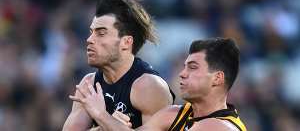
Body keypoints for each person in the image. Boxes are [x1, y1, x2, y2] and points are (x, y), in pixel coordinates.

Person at [70, 37, 247, 131]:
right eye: (184, 66)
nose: (182, 73)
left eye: (192, 68)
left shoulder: (220, 127)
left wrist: (102, 115)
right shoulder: (175, 114)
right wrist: (106, 124)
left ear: (217, 78)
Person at [63, 0, 174, 131]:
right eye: (91, 32)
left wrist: (102, 117)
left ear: (126, 42)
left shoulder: (148, 86)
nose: (90, 39)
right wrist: (107, 126)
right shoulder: (89, 85)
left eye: (101, 33)